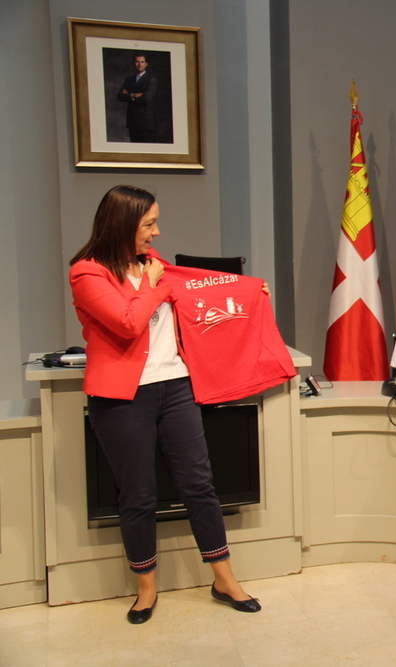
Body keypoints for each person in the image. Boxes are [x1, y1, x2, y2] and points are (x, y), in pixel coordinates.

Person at [69, 185, 261, 624]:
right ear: (123, 223)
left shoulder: (156, 268)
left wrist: (249, 291)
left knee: (200, 485)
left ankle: (224, 579)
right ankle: (146, 589)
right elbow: (127, 321)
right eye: (149, 224)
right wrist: (153, 285)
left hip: (175, 387)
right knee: (138, 495)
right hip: (121, 397)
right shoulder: (87, 272)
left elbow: (203, 293)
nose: (157, 232)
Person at [116, 53, 158, 143]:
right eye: (137, 62)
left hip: (146, 123)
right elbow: (120, 96)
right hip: (132, 121)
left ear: (146, 64)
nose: (139, 64)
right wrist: (134, 95)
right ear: (134, 63)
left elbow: (146, 99)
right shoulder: (128, 80)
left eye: (142, 62)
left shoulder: (151, 80)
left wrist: (129, 95)